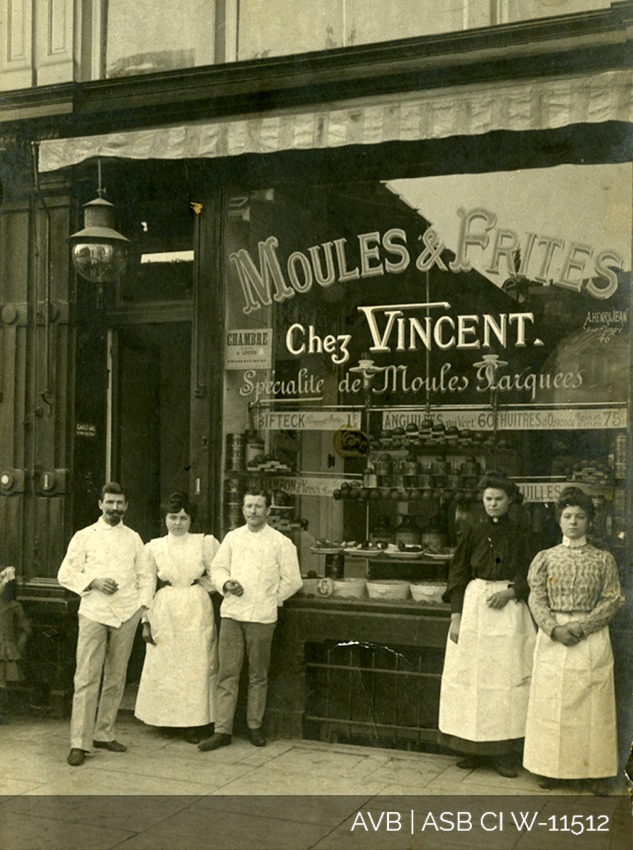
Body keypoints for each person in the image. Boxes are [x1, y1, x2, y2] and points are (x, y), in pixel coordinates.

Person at [523, 487, 624, 794]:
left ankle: (595, 772)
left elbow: (613, 600)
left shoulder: (603, 559)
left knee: (593, 705)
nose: (573, 522)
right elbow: (536, 597)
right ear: (559, 520)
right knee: (552, 704)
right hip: (554, 635)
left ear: (589, 521)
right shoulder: (545, 558)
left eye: (580, 516)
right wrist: (554, 629)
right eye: (567, 516)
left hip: (590, 635)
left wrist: (581, 628)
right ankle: (550, 768)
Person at [438, 471, 536, 778]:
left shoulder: (523, 533)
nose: (493, 504)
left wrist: (511, 592)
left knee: (505, 679)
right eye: (488, 499)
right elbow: (457, 574)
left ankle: (504, 753)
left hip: (509, 613)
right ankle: (472, 748)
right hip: (475, 612)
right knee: (473, 679)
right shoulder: (472, 533)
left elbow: (533, 575)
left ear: (510, 501)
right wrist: (456, 616)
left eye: (499, 499)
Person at [198, 488, 302, 751]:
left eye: (258, 506)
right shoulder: (233, 538)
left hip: (262, 618)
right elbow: (217, 569)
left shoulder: (281, 542)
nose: (253, 511)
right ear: (242, 510)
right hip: (232, 614)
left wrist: (270, 599)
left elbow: (293, 581)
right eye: (248, 506)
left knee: (258, 675)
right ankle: (222, 730)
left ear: (268, 510)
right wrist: (226, 583)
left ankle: (254, 726)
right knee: (227, 674)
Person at [57, 482, 151, 767]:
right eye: (109, 502)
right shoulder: (85, 536)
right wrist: (93, 582)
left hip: (126, 613)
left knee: (116, 675)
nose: (114, 508)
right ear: (100, 504)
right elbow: (65, 573)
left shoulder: (134, 538)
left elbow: (145, 576)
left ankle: (104, 732)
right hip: (94, 612)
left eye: (119, 503)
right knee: (86, 677)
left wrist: (142, 611)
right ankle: (79, 742)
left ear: (126, 506)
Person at [134, 492, 220, 743]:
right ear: (165, 519)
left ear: (191, 519)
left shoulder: (204, 543)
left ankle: (193, 722)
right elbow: (147, 583)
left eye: (183, 517)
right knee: (168, 663)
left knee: (196, 663)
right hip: (166, 606)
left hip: (195, 606)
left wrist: (198, 586)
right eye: (173, 517)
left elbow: (218, 574)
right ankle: (167, 720)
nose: (178, 523)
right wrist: (146, 620)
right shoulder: (154, 547)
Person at [0, 566, 31, 723]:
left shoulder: (14, 606)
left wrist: (17, 647)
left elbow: (24, 629)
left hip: (4, 648)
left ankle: (1, 712)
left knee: (2, 681)